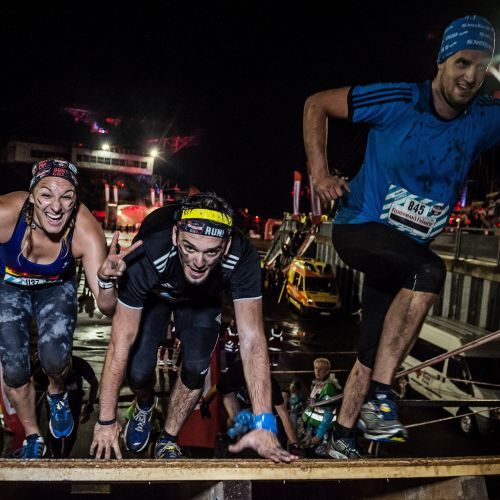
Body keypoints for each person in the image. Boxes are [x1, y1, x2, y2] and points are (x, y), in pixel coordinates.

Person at [303, 15, 500, 459]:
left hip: (404, 255)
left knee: (373, 350)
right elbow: (316, 104)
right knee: (430, 271)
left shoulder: (484, 119)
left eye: (481, 67)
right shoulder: (398, 100)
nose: (470, 77)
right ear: (441, 60)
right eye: (462, 62)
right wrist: (319, 173)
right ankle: (381, 399)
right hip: (361, 229)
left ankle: (343, 437)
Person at [91, 192, 297, 462]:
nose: (198, 262)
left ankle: (168, 439)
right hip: (156, 297)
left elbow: (252, 339)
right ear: (175, 235)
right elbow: (120, 341)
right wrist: (106, 421)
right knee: (139, 372)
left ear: (226, 245)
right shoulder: (148, 251)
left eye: (211, 252)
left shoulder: (242, 255)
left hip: (201, 301)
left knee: (197, 364)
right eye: (189, 248)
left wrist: (264, 423)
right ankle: (145, 404)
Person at [0, 159, 140, 459]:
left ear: (75, 201)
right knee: (13, 370)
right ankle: (33, 436)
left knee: (54, 359)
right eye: (46, 194)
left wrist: (107, 282)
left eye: (66, 197)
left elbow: (107, 308)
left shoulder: (85, 230)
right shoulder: (6, 214)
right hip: (8, 285)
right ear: (32, 196)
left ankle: (57, 390)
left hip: (55, 286)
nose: (56, 207)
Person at [200, 359, 301, 455]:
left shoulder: (271, 386)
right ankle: (230, 440)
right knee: (236, 419)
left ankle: (242, 442)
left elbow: (284, 416)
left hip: (254, 399)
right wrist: (205, 402)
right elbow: (216, 388)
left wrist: (294, 444)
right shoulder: (236, 374)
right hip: (233, 393)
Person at [33, 354, 99, 458]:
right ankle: (56, 455)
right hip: (54, 405)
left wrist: (89, 405)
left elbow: (94, 383)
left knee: (71, 432)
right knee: (54, 433)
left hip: (73, 403)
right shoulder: (45, 368)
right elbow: (31, 384)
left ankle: (66, 455)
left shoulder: (80, 364)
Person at [299, 358, 341, 456]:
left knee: (317, 457)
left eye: (321, 369)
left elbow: (328, 414)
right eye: (316, 368)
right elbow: (311, 405)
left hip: (321, 431)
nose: (317, 371)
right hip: (311, 427)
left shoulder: (328, 388)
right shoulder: (317, 385)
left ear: (327, 371)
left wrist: (319, 435)